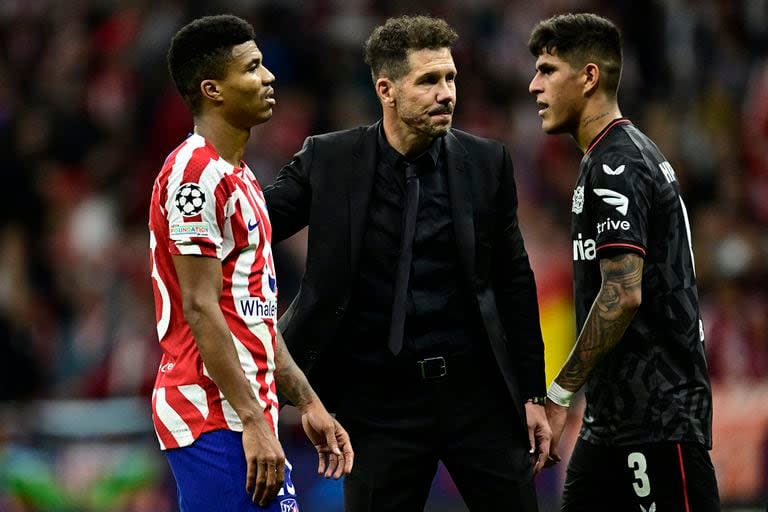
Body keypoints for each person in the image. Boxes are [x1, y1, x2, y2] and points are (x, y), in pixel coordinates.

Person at [265, 14, 550, 512]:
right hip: (378, 406)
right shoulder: (329, 161)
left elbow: (514, 281)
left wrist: (533, 393)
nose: (447, 93)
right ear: (386, 89)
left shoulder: (487, 164)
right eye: (429, 80)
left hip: (476, 397)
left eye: (451, 78)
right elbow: (252, 225)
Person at [147, 15, 353, 512]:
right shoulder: (193, 177)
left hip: (244, 415)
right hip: (211, 416)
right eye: (253, 67)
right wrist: (255, 422)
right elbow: (199, 308)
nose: (269, 77)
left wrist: (307, 403)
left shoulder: (242, 180)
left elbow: (255, 317)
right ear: (213, 89)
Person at [527, 13, 719, 511]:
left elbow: (622, 291)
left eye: (548, 70)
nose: (534, 85)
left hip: (658, 421)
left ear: (589, 77)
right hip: (610, 426)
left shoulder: (619, 163)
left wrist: (561, 391)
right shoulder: (603, 159)